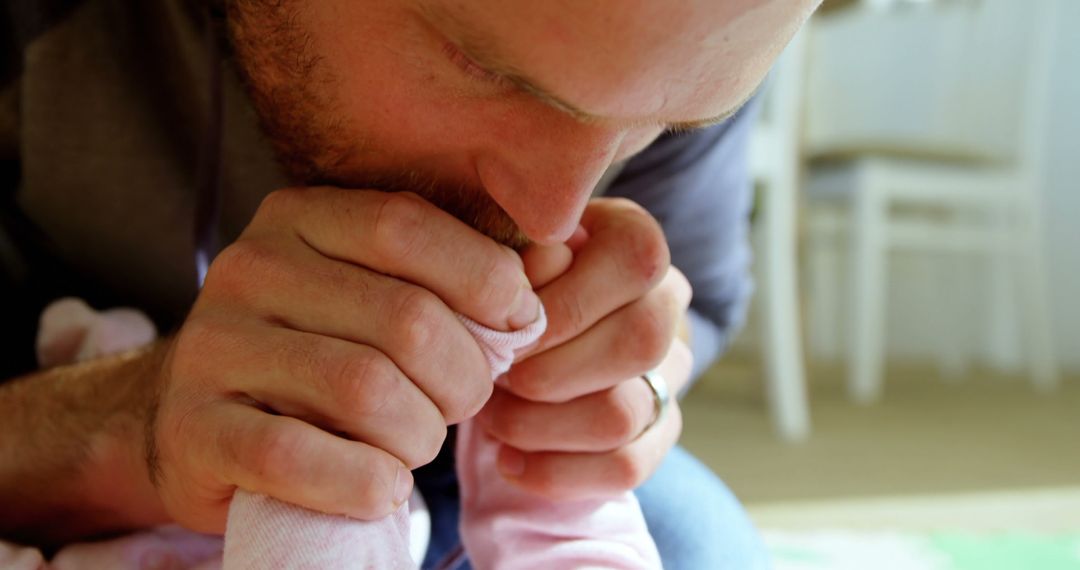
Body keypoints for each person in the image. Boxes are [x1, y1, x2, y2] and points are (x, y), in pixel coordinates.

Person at [0, 0, 819, 567]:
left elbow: (695, 304)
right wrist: (131, 428)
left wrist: (629, 372)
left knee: (692, 542)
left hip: (447, 472)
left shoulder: (696, 30)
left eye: (663, 125)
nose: (546, 216)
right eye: (486, 69)